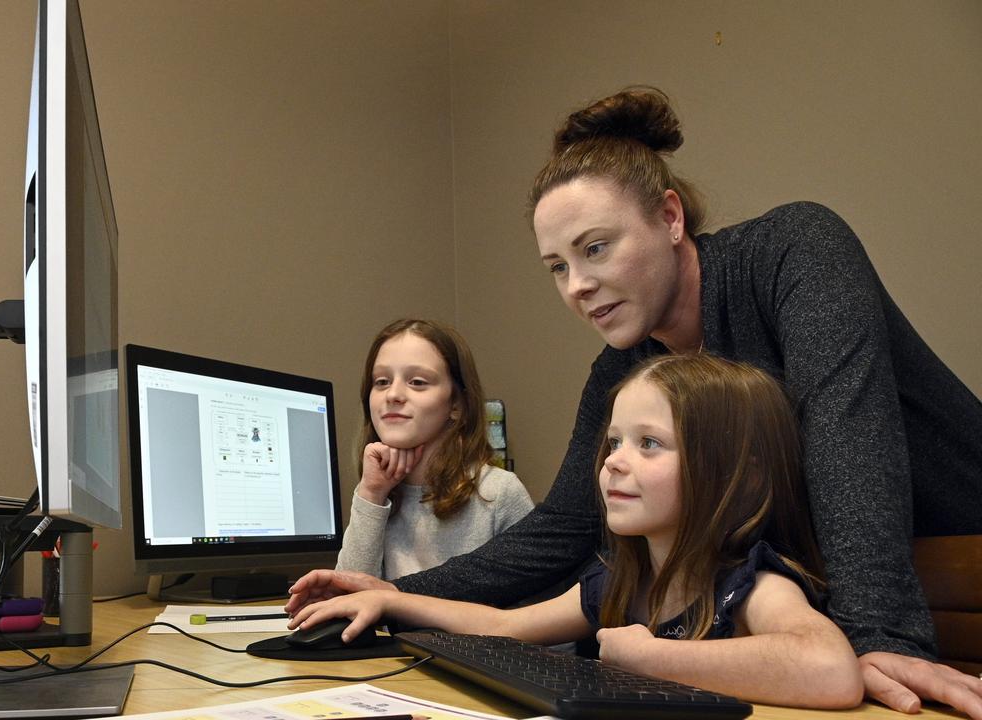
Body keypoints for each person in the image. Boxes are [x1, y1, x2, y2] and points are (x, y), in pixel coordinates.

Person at [288, 87, 982, 717]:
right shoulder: (623, 363)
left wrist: (883, 635)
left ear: (670, 217)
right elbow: (562, 527)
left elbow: (846, 434)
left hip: (944, 567)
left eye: (596, 249)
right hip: (830, 619)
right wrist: (388, 599)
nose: (576, 287)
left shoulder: (793, 251)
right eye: (557, 267)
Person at [293, 355, 864, 709]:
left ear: (737, 474)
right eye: (614, 442)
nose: (613, 461)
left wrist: (653, 657)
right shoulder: (619, 581)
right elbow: (504, 624)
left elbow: (830, 671)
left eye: (650, 444)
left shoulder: (749, 585)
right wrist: (393, 599)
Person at [334, 318, 533, 580]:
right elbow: (347, 599)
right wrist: (371, 495)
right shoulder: (375, 493)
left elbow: (535, 606)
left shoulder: (499, 493)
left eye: (417, 382)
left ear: (457, 405)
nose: (393, 394)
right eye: (381, 381)